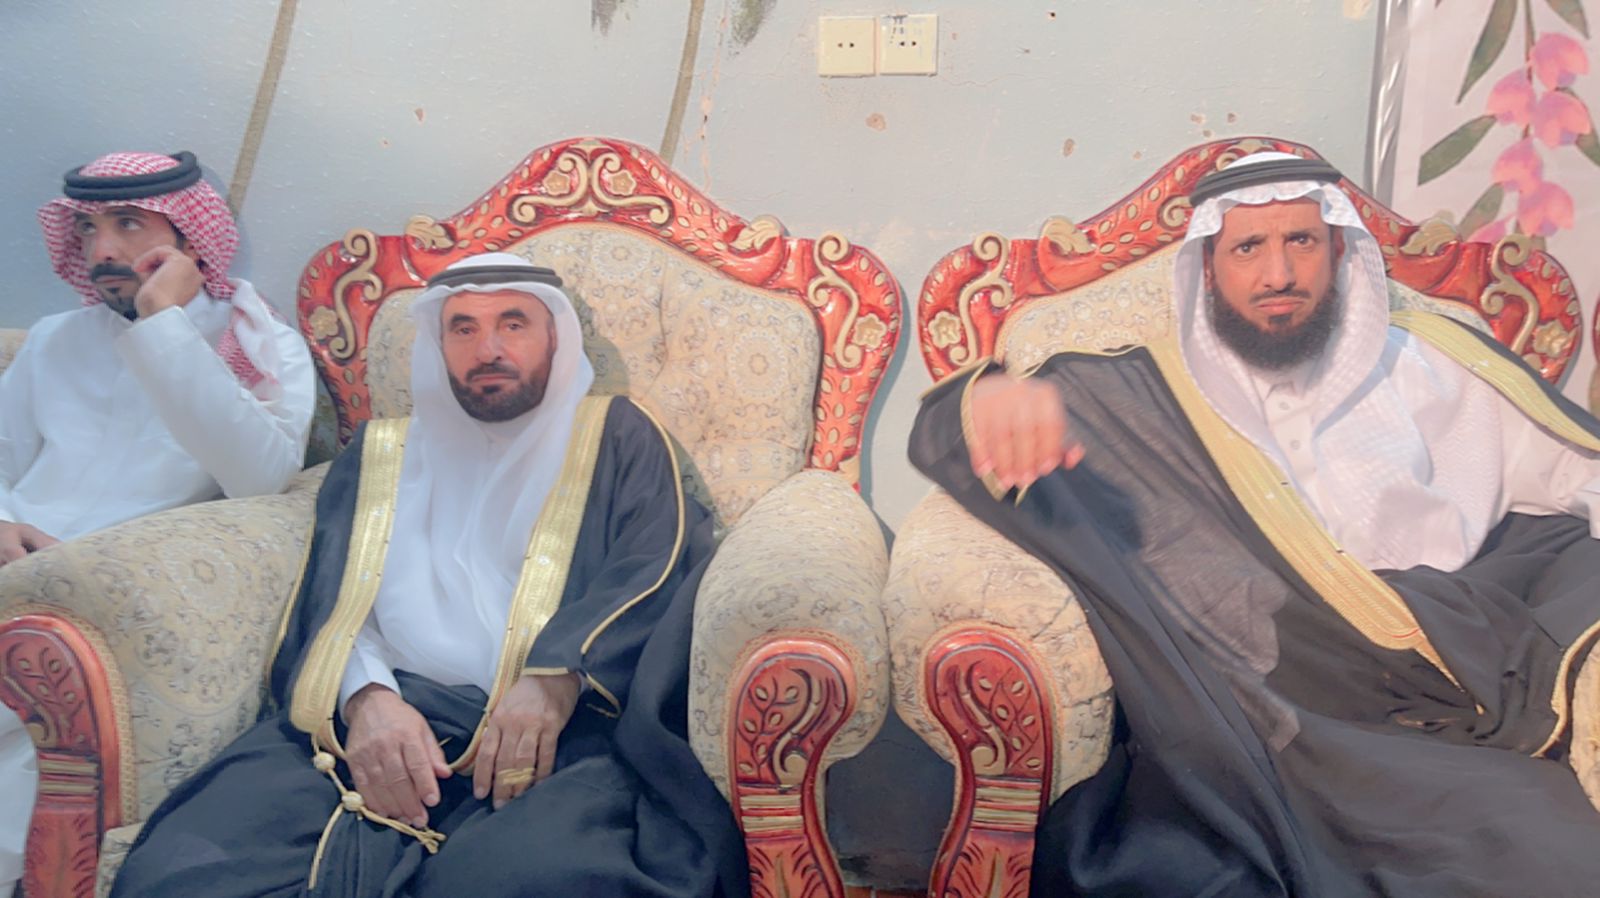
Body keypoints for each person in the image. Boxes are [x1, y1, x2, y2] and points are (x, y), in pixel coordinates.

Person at [910, 152, 1600, 897]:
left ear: (1339, 250)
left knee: (1550, 851)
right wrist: (988, 399)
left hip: (1452, 688)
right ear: (1207, 267)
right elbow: (946, 437)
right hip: (1276, 720)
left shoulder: (1433, 363)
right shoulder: (1139, 396)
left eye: (1301, 241)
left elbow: (1580, 473)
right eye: (1248, 248)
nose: (1278, 274)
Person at [112, 253, 745, 898]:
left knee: (537, 879)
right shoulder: (381, 455)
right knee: (185, 868)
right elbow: (328, 601)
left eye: (514, 323)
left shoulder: (616, 436)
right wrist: (368, 701)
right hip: (376, 719)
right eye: (463, 328)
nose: (488, 349)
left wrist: (553, 681)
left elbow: (653, 567)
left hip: (558, 732)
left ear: (555, 335)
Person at [0, 150, 316, 898]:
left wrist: (163, 326)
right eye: (88, 228)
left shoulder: (257, 339)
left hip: (110, 601)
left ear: (188, 235)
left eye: (128, 224)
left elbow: (261, 479)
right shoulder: (55, 338)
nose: (103, 250)